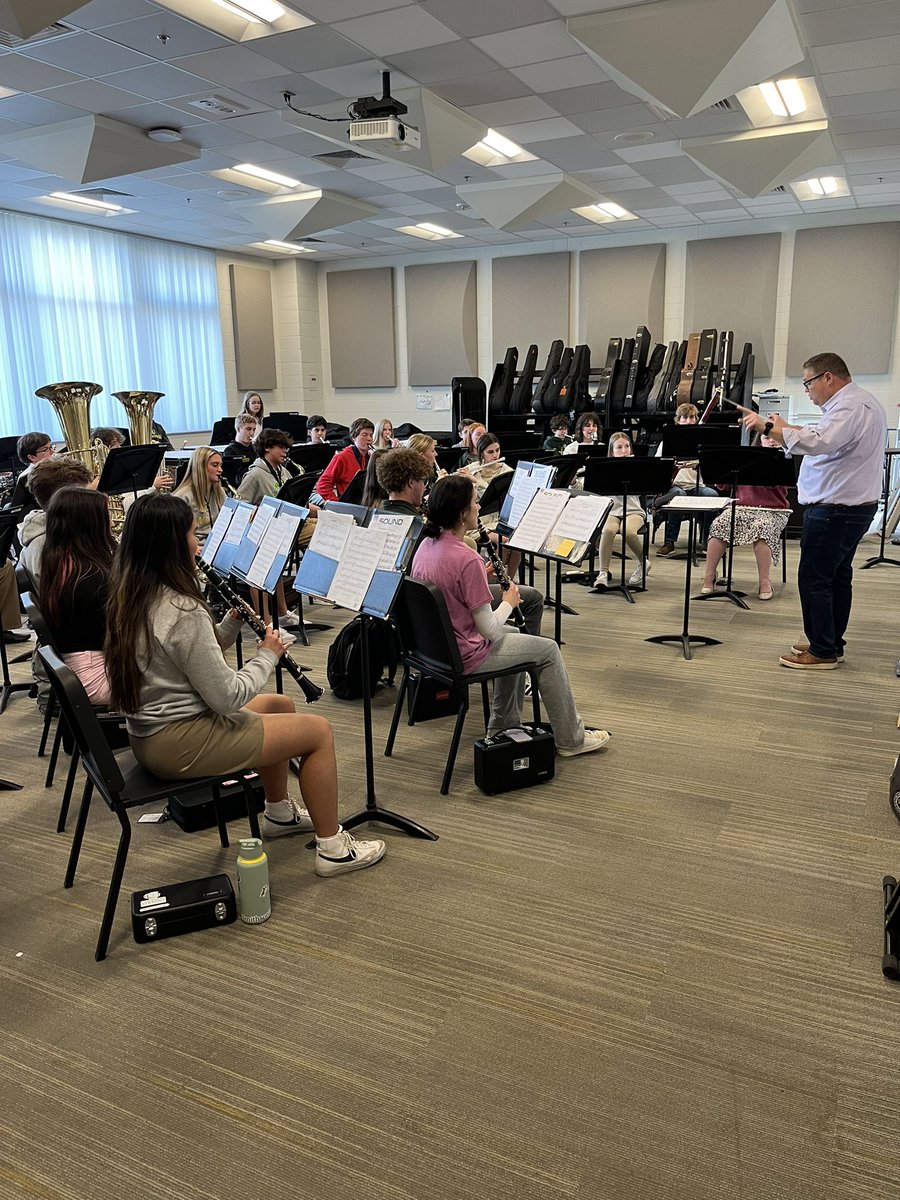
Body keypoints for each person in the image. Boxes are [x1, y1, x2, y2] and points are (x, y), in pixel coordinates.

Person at [104, 492, 384, 874]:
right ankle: (334, 849)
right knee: (318, 731)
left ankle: (279, 814)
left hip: (151, 734)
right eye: (192, 535)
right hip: (180, 740)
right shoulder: (181, 610)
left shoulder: (132, 594)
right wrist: (267, 654)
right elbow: (227, 697)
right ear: (172, 545)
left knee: (280, 706)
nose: (198, 544)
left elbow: (184, 658)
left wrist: (230, 623)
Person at [411, 475, 609, 756]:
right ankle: (571, 740)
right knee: (548, 650)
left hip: (436, 649)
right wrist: (508, 601)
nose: (478, 507)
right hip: (464, 655)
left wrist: (481, 577)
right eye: (474, 502)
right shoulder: (465, 558)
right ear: (461, 513)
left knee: (516, 637)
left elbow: (452, 591)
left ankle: (503, 724)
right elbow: (489, 630)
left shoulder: (426, 545)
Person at [738, 352, 886, 669]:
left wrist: (768, 428)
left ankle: (822, 651)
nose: (807, 391)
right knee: (836, 577)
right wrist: (783, 428)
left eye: (808, 383)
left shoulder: (848, 406)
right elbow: (826, 439)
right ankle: (830, 640)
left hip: (835, 509)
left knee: (815, 578)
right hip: (850, 507)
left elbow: (820, 442)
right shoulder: (860, 402)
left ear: (827, 377)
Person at [40, 486, 115, 704]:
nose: (111, 524)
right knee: (182, 680)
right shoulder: (91, 579)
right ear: (90, 526)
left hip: (80, 669)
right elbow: (121, 638)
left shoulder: (62, 560)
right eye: (106, 518)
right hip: (96, 676)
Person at [700, 435, 790, 601]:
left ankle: (764, 581)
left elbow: (787, 482)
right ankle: (709, 576)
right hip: (742, 507)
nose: (771, 440)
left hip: (773, 510)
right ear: (759, 440)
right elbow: (725, 484)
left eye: (775, 437)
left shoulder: (785, 458)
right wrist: (713, 470)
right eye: (767, 437)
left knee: (764, 527)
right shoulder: (745, 458)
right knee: (719, 524)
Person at [653, 402, 718, 555]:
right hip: (675, 486)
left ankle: (708, 541)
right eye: (684, 417)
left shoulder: (702, 444)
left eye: (691, 417)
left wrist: (699, 464)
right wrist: (673, 465)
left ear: (696, 420)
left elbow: (711, 465)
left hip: (696, 486)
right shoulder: (667, 443)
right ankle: (670, 542)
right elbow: (657, 465)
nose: (688, 421)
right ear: (678, 420)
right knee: (679, 497)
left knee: (712, 495)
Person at [18, 456, 94, 584]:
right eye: (85, 495)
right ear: (66, 499)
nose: (90, 501)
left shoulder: (39, 530)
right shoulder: (56, 547)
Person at [592, 432, 650, 590]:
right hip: (612, 510)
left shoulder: (637, 465)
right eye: (619, 447)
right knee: (608, 530)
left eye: (627, 446)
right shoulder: (605, 467)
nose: (624, 451)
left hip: (633, 511)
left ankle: (643, 562)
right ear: (612, 451)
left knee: (628, 531)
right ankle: (603, 572)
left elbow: (643, 488)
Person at [311, 417, 373, 503]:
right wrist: (337, 504)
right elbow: (322, 485)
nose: (369, 439)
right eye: (364, 435)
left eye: (371, 435)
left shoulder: (370, 457)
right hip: (350, 507)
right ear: (354, 437)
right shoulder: (341, 457)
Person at [172, 446, 226, 543]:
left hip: (214, 545)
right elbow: (175, 535)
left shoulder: (220, 491)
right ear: (200, 468)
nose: (220, 470)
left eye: (220, 465)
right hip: (194, 550)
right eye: (215, 465)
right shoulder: (182, 497)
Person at [221, 414, 259, 481]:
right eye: (248, 429)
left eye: (254, 429)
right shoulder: (230, 451)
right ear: (238, 429)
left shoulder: (255, 448)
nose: (252, 433)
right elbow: (236, 477)